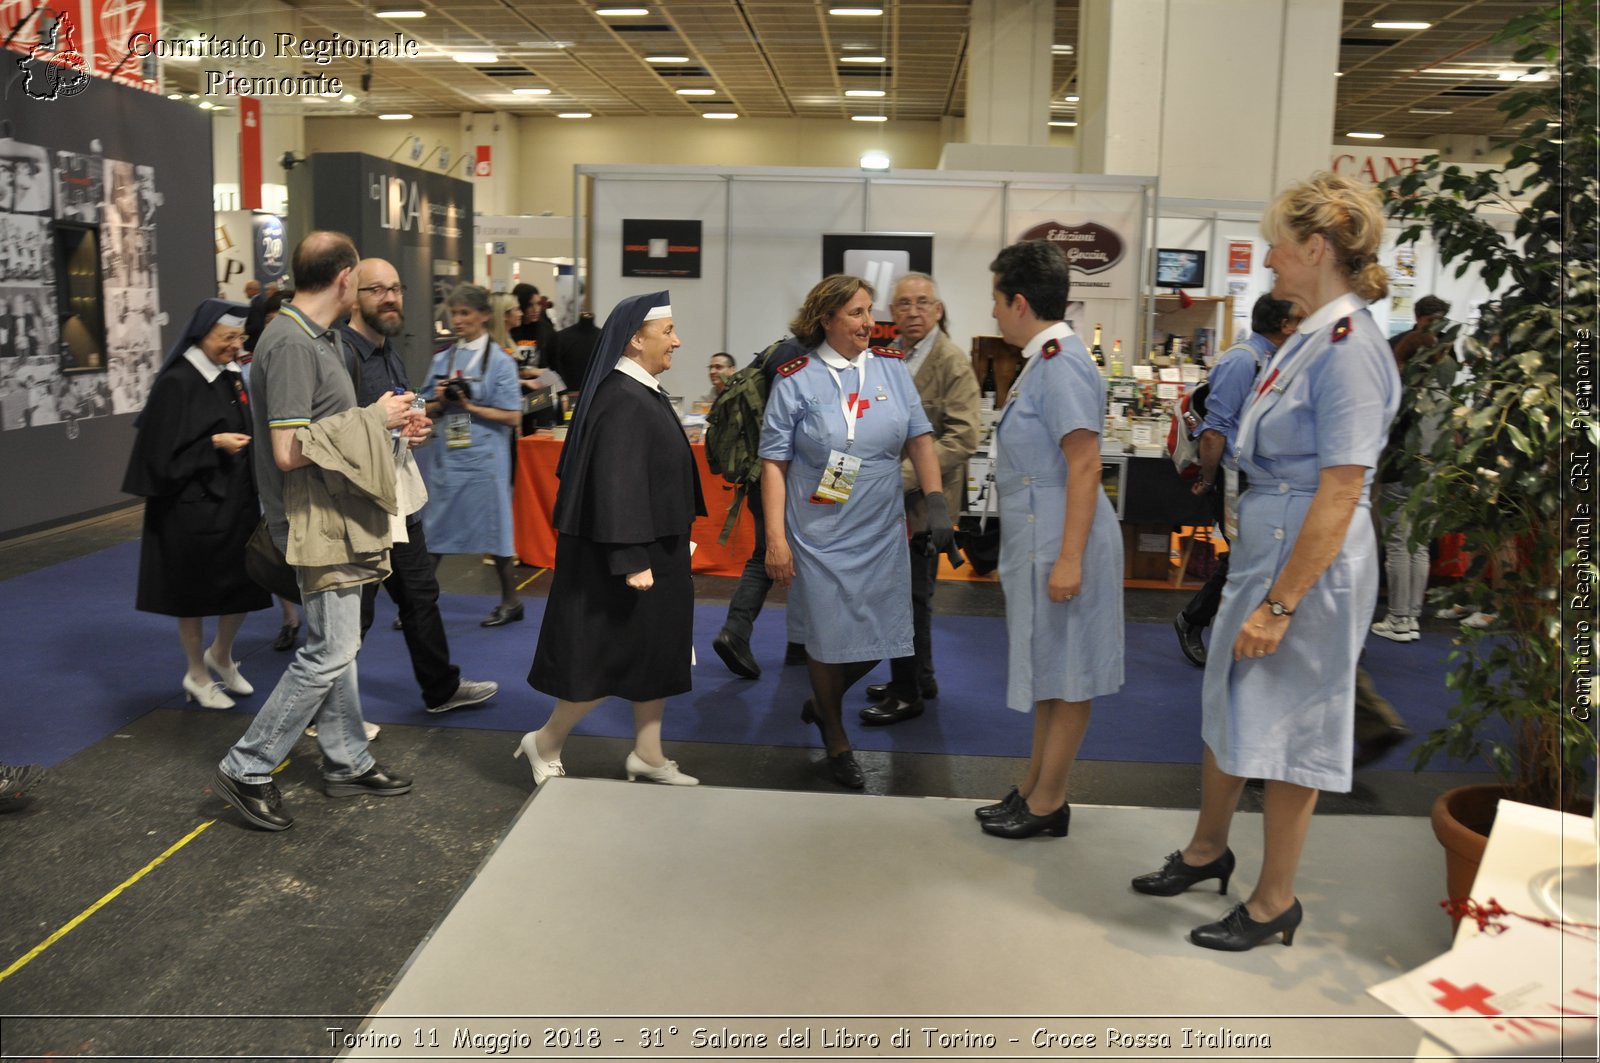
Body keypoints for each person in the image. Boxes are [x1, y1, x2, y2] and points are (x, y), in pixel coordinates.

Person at [1132, 172, 1400, 951]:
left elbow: (1342, 488)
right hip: (1267, 543)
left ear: (1316, 248)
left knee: (1291, 727)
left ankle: (1275, 896)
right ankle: (1208, 848)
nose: (1270, 260)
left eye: (1281, 244)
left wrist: (1281, 604)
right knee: (1227, 699)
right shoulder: (1312, 335)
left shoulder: (1349, 348)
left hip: (1306, 565)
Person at [213, 231, 421, 832]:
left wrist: (393, 427)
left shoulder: (320, 338)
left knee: (340, 646)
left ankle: (346, 759)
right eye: (365, 278)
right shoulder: (292, 342)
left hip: (334, 513)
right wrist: (372, 418)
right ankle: (247, 766)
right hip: (309, 519)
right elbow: (286, 450)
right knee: (330, 648)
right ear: (345, 279)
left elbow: (331, 432)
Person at [759, 275, 957, 789]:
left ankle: (823, 703)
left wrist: (936, 504)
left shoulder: (891, 370)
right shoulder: (796, 377)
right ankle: (836, 738)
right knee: (826, 639)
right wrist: (776, 539)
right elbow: (774, 463)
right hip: (819, 532)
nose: (869, 323)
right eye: (855, 313)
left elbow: (920, 438)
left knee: (882, 634)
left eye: (870, 311)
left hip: (881, 527)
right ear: (826, 320)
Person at [521, 291, 704, 787]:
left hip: (653, 547)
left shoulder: (635, 391)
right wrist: (631, 559)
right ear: (634, 339)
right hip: (628, 555)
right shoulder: (622, 398)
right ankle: (544, 742)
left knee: (657, 651)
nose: (677, 341)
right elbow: (616, 483)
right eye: (668, 332)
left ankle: (647, 753)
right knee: (605, 658)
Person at [974, 242, 1124, 838]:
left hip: (1068, 543)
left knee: (1071, 675)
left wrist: (1069, 559)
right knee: (1049, 673)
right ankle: (1034, 786)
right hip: (1047, 540)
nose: (992, 314)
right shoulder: (1045, 358)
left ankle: (1050, 801)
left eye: (995, 301)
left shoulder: (1061, 362)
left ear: (1018, 302)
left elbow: (1085, 465)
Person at [342, 259, 500, 715]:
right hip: (362, 508)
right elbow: (334, 431)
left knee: (420, 596)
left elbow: (397, 418)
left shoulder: (388, 350)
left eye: (396, 288)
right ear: (354, 296)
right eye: (376, 290)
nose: (390, 298)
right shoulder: (341, 355)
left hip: (400, 500)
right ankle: (327, 714)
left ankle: (441, 689)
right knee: (356, 615)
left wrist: (414, 427)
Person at [122, 299, 272, 710]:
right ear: (202, 334)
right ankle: (196, 672)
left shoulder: (229, 375)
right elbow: (159, 459)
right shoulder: (177, 382)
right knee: (192, 595)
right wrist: (213, 445)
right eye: (227, 337)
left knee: (246, 585)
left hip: (235, 502)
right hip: (188, 511)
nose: (235, 346)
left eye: (239, 337)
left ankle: (220, 654)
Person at [859, 271, 981, 725]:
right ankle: (917, 677)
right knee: (906, 597)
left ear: (938, 309)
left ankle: (908, 693)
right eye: (904, 304)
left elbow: (965, 436)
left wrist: (901, 476)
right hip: (891, 504)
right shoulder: (896, 358)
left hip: (924, 505)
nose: (912, 311)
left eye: (921, 302)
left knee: (908, 600)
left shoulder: (951, 362)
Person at [1173, 295, 1299, 666]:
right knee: (1244, 557)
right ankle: (1193, 620)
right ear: (1284, 325)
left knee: (1255, 557)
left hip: (1262, 479)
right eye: (1297, 317)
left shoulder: (1276, 359)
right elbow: (1215, 432)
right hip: (1235, 478)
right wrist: (1210, 479)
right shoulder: (1243, 360)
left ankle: (1228, 629)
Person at [422, 284, 525, 627]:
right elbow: (421, 406)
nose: (458, 320)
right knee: (434, 530)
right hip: (449, 459)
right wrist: (440, 401)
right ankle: (419, 604)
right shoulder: (442, 359)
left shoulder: (499, 363)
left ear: (483, 315)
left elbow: (512, 416)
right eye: (455, 313)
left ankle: (511, 602)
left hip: (486, 461)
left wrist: (470, 406)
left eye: (465, 313)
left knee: (495, 532)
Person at [710, 335, 811, 680]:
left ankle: (739, 631)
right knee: (802, 555)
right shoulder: (804, 358)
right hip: (790, 476)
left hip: (761, 471)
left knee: (766, 554)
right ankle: (800, 645)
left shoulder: (777, 349)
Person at [1371, 295, 1451, 643]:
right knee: (1417, 543)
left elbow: (1383, 405)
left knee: (1400, 543)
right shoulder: (1450, 358)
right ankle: (1412, 617)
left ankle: (1399, 618)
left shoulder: (1396, 350)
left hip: (1400, 460)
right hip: (1434, 461)